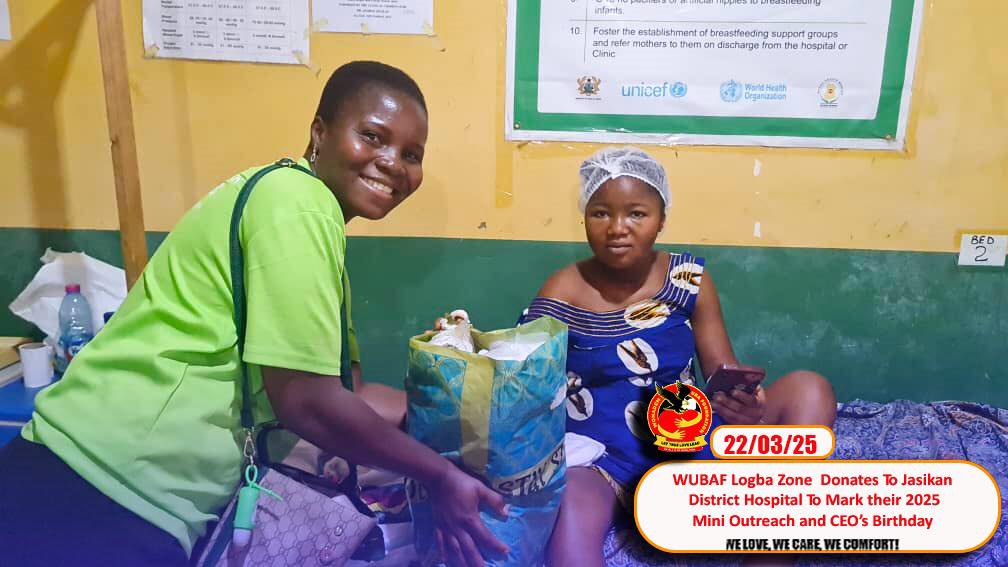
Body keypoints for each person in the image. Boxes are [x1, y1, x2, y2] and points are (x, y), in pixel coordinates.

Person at [0, 61, 506, 567]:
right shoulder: (298, 202)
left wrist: (470, 415)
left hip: (120, 490)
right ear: (320, 132)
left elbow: (348, 393)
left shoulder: (304, 217)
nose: (393, 163)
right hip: (97, 489)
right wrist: (439, 475)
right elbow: (308, 402)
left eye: (412, 154)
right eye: (372, 137)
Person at [519, 147, 837, 567]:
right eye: (600, 213)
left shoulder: (688, 279)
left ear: (661, 219)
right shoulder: (562, 289)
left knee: (810, 389)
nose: (617, 228)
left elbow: (721, 370)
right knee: (569, 523)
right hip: (603, 455)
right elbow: (520, 379)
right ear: (585, 217)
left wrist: (744, 405)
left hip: (688, 430)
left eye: (637, 214)